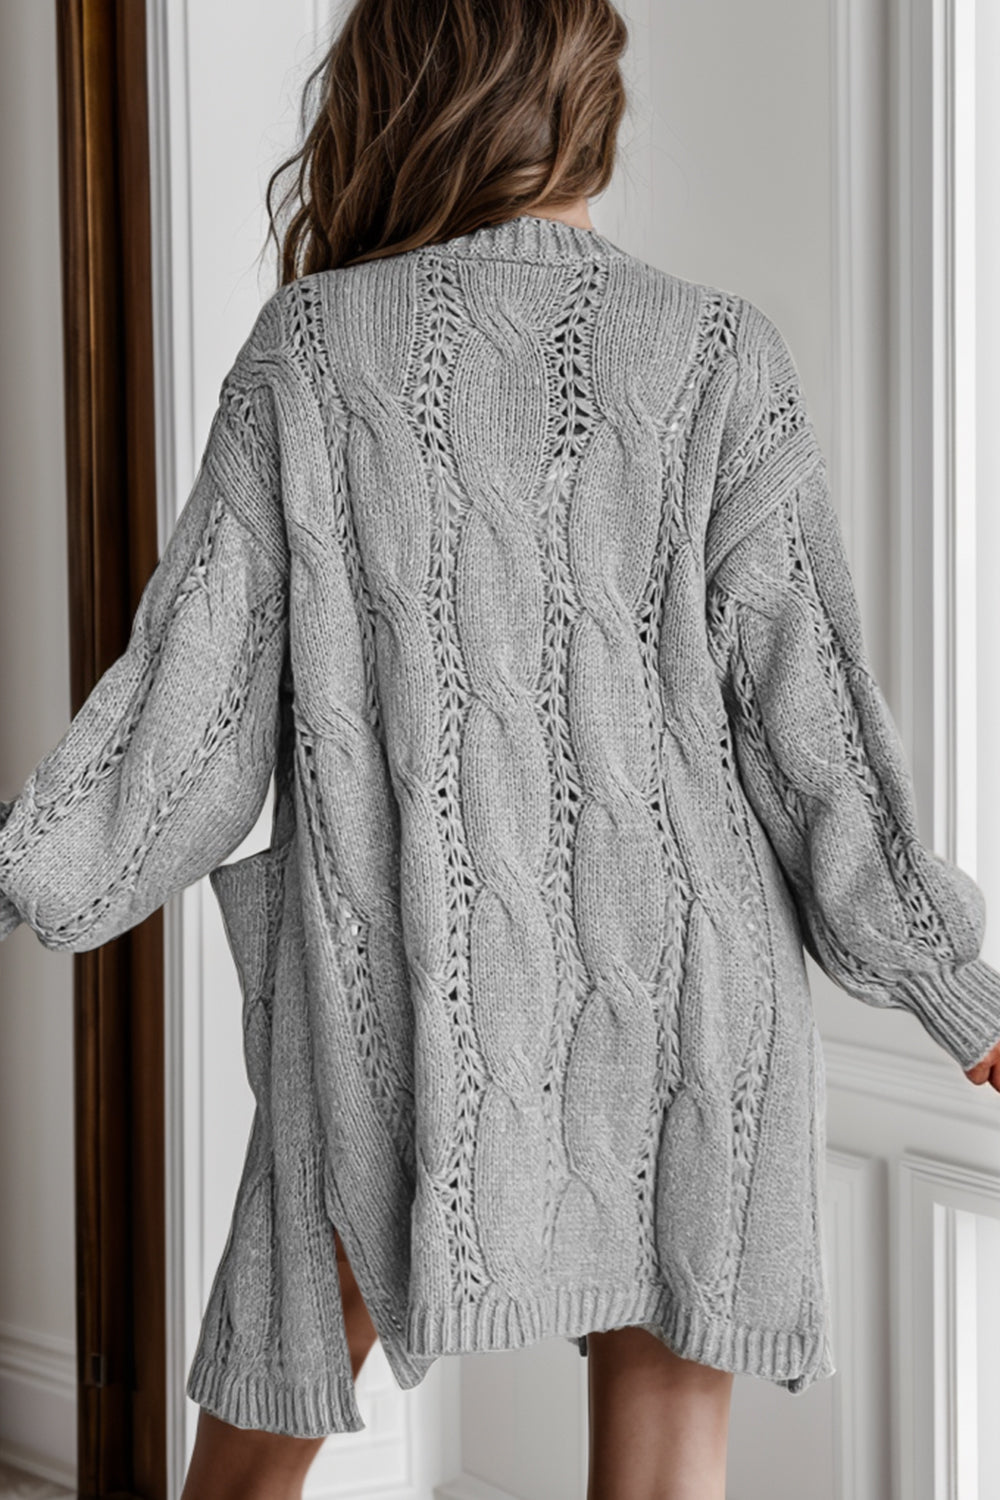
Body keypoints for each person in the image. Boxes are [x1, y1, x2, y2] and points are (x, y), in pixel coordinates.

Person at [3, 1, 1000, 1497]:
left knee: (244, 1473)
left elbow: (185, 725)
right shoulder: (718, 353)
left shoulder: (311, 351)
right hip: (688, 1003)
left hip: (396, 1000)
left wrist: (30, 873)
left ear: (399, 102)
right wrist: (955, 989)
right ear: (587, 108)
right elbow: (816, 741)